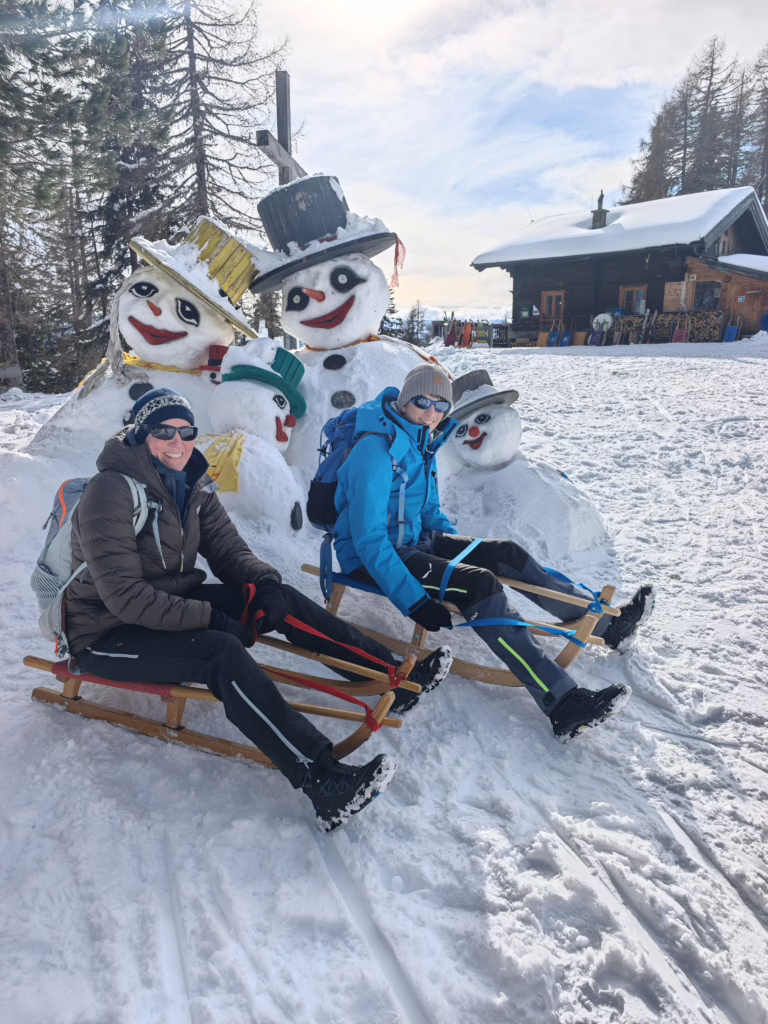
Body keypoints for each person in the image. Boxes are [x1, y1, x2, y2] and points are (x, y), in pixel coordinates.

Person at [66, 387, 453, 831]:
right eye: (162, 431)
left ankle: (390, 677)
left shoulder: (192, 481)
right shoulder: (110, 491)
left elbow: (229, 551)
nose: (177, 442)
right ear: (139, 433)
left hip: (169, 603)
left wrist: (264, 583)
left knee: (278, 599)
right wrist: (214, 619)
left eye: (185, 431)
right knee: (218, 650)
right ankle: (321, 778)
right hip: (105, 630)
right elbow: (126, 598)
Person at [333, 364, 654, 742]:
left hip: (416, 541)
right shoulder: (375, 449)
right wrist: (416, 601)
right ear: (405, 401)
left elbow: (429, 513)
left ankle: (605, 625)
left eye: (440, 405)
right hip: (372, 556)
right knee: (478, 586)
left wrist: (457, 554)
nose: (432, 412)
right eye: (422, 401)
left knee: (506, 554)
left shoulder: (421, 440)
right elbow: (369, 539)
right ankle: (563, 702)